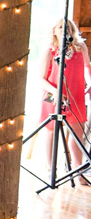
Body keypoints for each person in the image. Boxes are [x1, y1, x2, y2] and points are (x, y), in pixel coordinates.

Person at [38, 18, 91, 181]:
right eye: (61, 27)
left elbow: (88, 68)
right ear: (54, 30)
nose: (64, 30)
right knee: (51, 132)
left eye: (67, 27)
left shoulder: (80, 48)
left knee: (77, 133)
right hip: (53, 96)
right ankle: (50, 170)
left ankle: (78, 169)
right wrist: (57, 92)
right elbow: (41, 78)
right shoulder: (50, 50)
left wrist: (89, 86)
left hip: (76, 96)